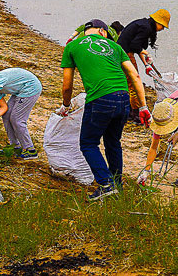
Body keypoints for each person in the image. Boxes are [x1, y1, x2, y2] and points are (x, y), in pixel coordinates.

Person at [58, 19, 151, 201]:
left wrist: (66, 105)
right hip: (123, 98)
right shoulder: (115, 47)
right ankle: (117, 185)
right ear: (102, 31)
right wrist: (143, 106)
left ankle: (106, 184)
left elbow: (67, 85)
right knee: (113, 142)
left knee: (88, 143)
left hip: (100, 98)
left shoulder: (72, 46)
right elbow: (135, 75)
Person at [116, 9, 171, 123]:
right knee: (133, 82)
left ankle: (130, 109)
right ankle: (134, 113)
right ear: (158, 22)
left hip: (122, 52)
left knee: (128, 82)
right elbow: (136, 46)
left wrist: (146, 65)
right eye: (163, 26)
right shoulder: (146, 28)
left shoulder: (144, 24)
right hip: (124, 53)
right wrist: (146, 53)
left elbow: (138, 47)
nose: (163, 29)